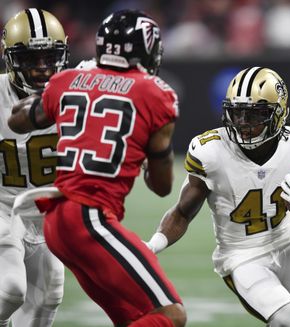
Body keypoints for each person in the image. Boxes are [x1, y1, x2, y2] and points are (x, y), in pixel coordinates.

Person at [144, 67, 290, 326]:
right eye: (237, 114)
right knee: (285, 317)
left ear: (278, 113)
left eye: (256, 115)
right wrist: (151, 247)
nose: (244, 124)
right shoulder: (211, 151)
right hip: (241, 255)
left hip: (287, 243)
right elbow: (183, 212)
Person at [8, 9, 186, 327]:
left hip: (55, 220)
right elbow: (161, 186)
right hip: (89, 217)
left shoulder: (67, 82)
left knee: (132, 316)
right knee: (170, 314)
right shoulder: (156, 94)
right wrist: (150, 149)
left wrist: (61, 93)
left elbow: (18, 119)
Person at [0, 8, 68, 327]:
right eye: (30, 59)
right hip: (3, 206)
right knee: (10, 289)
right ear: (11, 59)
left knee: (50, 293)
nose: (41, 69)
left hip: (47, 214)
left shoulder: (75, 96)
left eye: (49, 57)